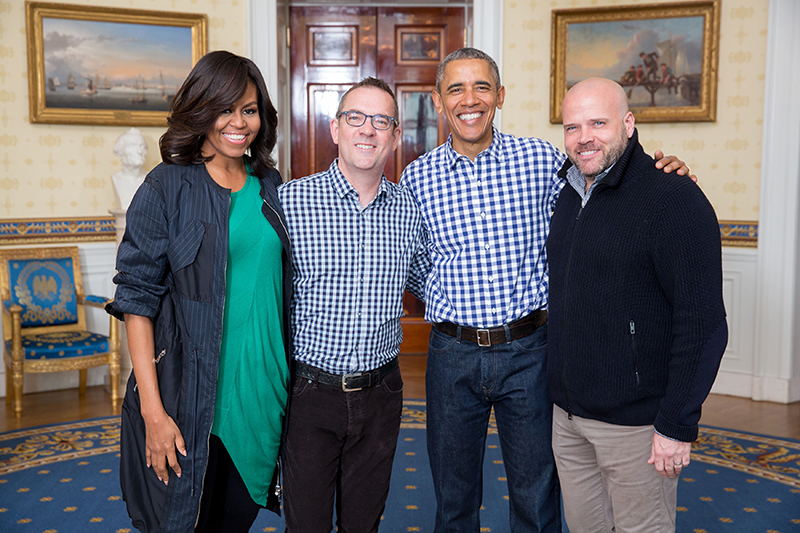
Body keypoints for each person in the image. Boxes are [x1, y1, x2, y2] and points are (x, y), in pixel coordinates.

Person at [400, 48, 692, 533]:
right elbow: (414, 262)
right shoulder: (416, 177)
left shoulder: (542, 160)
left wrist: (667, 175)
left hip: (531, 352)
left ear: (500, 96)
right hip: (452, 355)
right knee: (452, 496)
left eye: (481, 87)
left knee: (537, 496)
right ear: (437, 101)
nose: (469, 100)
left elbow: (608, 182)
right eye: (455, 88)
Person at [106, 50, 292, 533]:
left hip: (263, 389)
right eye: (224, 108)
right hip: (189, 397)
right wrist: (152, 410)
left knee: (236, 518)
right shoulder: (166, 187)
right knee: (182, 519)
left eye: (248, 110)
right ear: (201, 109)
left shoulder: (270, 184)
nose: (238, 122)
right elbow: (137, 302)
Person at [547, 77, 727, 533]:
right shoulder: (567, 194)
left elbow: (704, 324)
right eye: (572, 126)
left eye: (598, 122)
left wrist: (676, 424)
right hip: (568, 419)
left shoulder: (673, 198)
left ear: (628, 123)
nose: (583, 136)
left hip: (636, 427)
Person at [278, 77, 429, 532]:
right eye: (355, 118)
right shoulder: (289, 202)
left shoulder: (410, 209)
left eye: (381, 120)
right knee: (305, 525)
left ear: (395, 136)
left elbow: (432, 283)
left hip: (381, 394)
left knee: (364, 524)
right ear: (335, 128)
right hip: (308, 393)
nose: (368, 129)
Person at [111, 127, 148, 211]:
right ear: (120, 153)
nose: (139, 151)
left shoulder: (152, 179)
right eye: (132, 146)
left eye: (142, 146)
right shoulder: (116, 179)